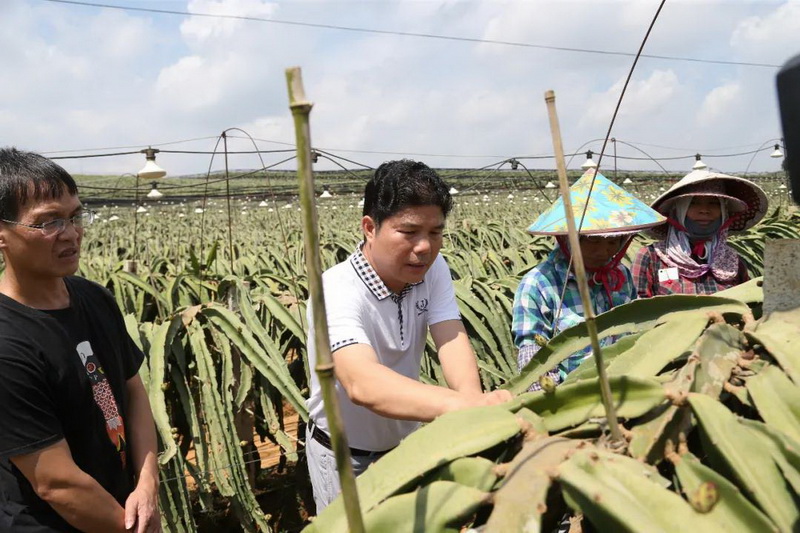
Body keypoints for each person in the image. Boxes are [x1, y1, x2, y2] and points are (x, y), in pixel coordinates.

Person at [305, 159, 512, 511]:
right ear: (370, 228)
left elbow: (450, 335)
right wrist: (460, 406)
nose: (425, 247)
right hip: (345, 460)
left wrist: (474, 411)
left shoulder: (432, 269)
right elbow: (362, 383)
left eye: (435, 233)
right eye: (409, 232)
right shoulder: (335, 292)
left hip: (406, 448)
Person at [0, 148, 159, 533]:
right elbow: (56, 484)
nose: (71, 234)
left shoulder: (94, 297)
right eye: (49, 222)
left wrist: (148, 483)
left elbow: (133, 389)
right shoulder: (6, 343)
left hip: (123, 511)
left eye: (74, 216)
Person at [513, 170, 665, 388]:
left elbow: (635, 333)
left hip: (625, 387)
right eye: (592, 241)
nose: (604, 250)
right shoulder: (538, 285)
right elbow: (533, 354)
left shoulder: (621, 276)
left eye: (613, 241)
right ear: (567, 238)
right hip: (571, 396)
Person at [632, 169, 767, 297]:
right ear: (678, 210)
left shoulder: (732, 260)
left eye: (714, 203)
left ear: (724, 212)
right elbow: (636, 311)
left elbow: (747, 304)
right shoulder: (653, 257)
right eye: (694, 203)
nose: (704, 210)